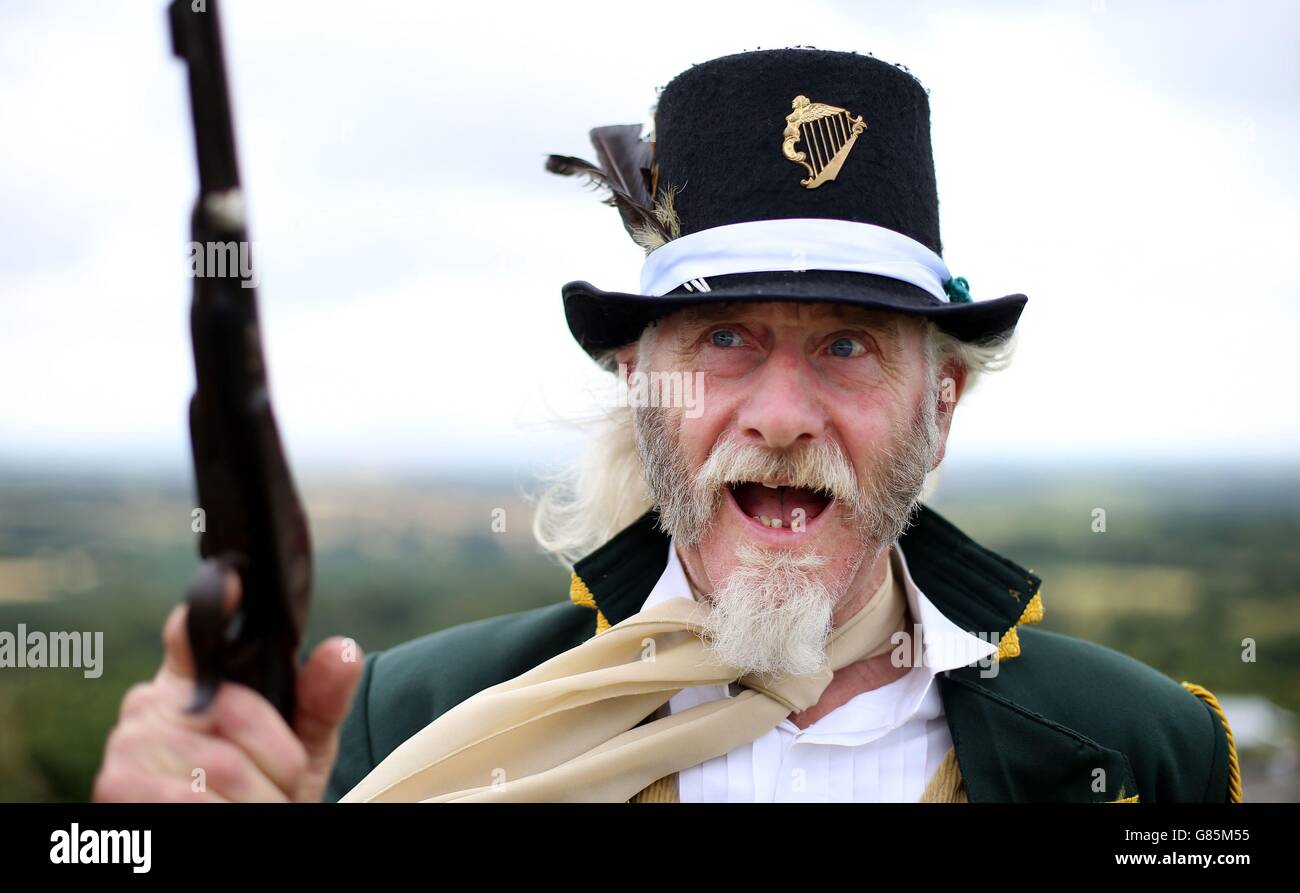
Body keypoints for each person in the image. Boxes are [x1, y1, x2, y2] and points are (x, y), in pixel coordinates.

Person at [93, 47, 1240, 804]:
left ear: (938, 409)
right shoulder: (405, 725)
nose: (781, 416)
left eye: (847, 346)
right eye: (724, 340)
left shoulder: (1145, 755)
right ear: (643, 389)